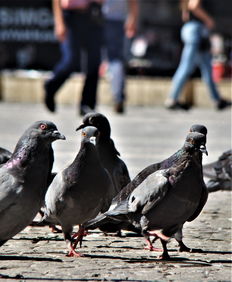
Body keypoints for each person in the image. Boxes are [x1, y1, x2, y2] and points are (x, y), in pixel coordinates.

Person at [165, 0, 231, 110]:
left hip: (194, 30)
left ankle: (217, 100)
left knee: (207, 68)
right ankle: (172, 99)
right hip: (195, 31)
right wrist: (208, 20)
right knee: (186, 67)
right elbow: (193, 6)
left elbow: (185, 15)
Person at [44, 0, 104, 116]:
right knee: (71, 60)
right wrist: (59, 22)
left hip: (93, 13)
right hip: (70, 16)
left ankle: (87, 105)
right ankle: (51, 85)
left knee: (94, 61)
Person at [101, 0, 138, 113]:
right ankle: (118, 96)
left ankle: (117, 96)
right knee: (116, 60)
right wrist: (132, 18)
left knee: (112, 60)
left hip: (104, 18)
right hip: (117, 20)